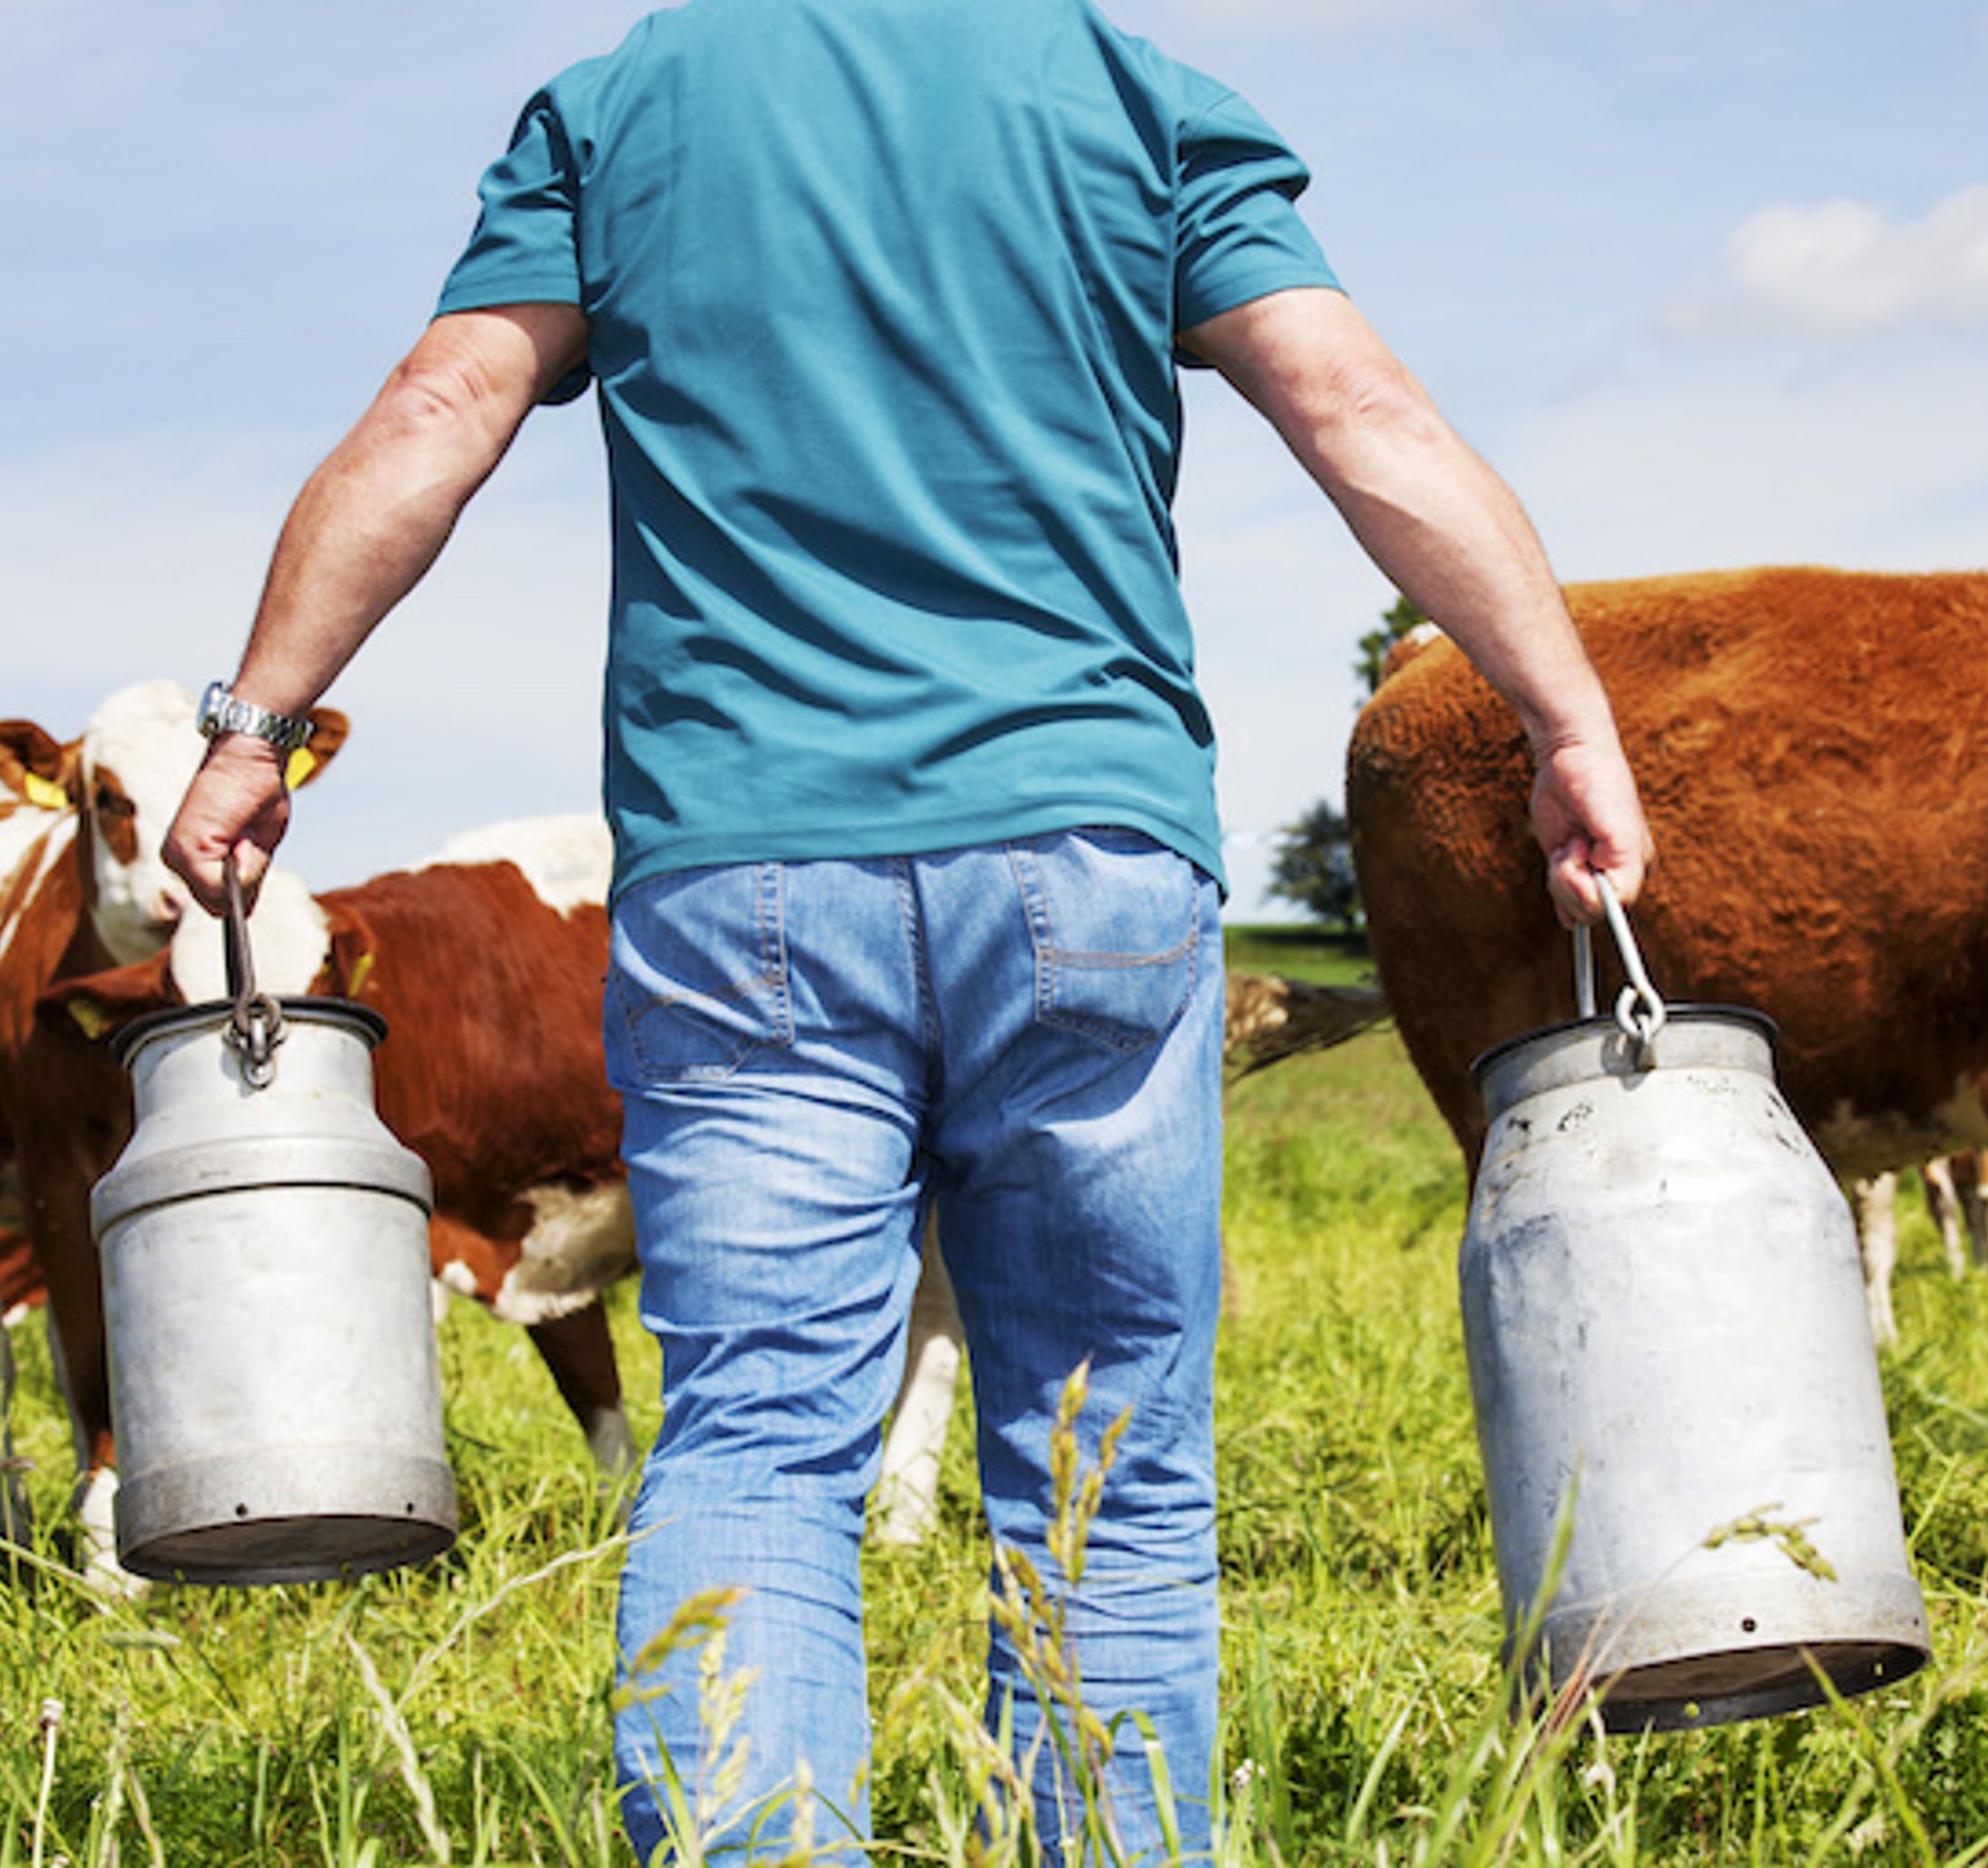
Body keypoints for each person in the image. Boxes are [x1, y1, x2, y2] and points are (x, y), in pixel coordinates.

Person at [161, 1, 1653, 1860]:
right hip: (1088, 867)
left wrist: (256, 731)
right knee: (1107, 1468)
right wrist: (1567, 717)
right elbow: (1360, 413)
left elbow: (435, 415)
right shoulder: (1131, 97)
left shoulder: (624, 109)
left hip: (747, 882)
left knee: (759, 1442)